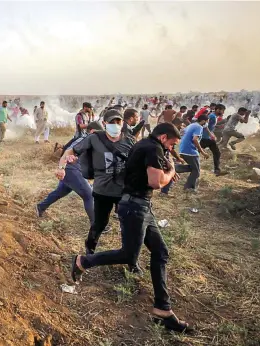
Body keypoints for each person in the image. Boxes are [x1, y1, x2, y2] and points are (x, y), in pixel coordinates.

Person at [71, 123, 193, 334]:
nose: (172, 148)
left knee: (161, 252)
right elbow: (155, 182)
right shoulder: (152, 148)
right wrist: (170, 171)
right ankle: (83, 261)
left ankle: (162, 310)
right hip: (135, 207)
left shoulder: (144, 145)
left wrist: (167, 167)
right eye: (172, 144)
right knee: (129, 255)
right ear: (164, 137)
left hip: (140, 206)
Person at [72, 110, 138, 271]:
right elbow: (75, 150)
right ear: (105, 123)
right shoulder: (94, 139)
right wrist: (66, 160)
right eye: (112, 122)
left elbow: (139, 160)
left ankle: (131, 259)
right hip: (103, 191)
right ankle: (90, 248)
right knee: (100, 223)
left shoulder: (130, 141)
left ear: (123, 123)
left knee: (128, 225)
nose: (115, 125)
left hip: (124, 191)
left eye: (118, 122)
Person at [36, 122, 104, 223]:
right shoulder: (84, 139)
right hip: (71, 170)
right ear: (93, 132)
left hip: (74, 170)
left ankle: (40, 207)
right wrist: (62, 168)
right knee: (89, 195)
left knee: (60, 192)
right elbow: (67, 152)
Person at [178, 114, 210, 192]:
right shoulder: (199, 127)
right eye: (206, 121)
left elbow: (182, 133)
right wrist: (203, 152)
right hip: (190, 151)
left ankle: (175, 168)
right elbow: (195, 139)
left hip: (183, 149)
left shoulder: (192, 125)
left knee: (194, 168)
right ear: (203, 121)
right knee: (196, 171)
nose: (206, 123)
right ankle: (189, 188)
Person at [200, 104, 225, 176]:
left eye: (223, 111)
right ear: (217, 110)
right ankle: (217, 170)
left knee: (196, 151)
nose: (222, 112)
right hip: (205, 138)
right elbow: (204, 124)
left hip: (205, 137)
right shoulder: (212, 117)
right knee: (217, 153)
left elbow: (210, 126)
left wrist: (214, 130)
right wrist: (211, 134)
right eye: (221, 110)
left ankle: (217, 170)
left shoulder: (213, 116)